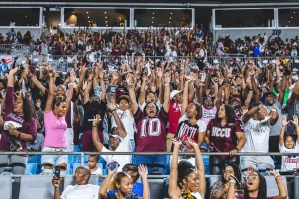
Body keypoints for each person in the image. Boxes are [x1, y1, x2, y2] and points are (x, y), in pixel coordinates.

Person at [127, 72, 170, 174]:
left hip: (159, 154)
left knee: (160, 180)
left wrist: (167, 84)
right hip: (142, 154)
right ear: (145, 110)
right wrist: (130, 87)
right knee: (142, 178)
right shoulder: (140, 118)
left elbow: (167, 101)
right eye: (148, 107)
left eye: (153, 107)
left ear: (157, 110)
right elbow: (133, 101)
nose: (151, 108)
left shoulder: (161, 117)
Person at [0, 67, 37, 174]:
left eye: (19, 102)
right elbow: (10, 91)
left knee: (17, 180)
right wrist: (11, 75)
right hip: (3, 150)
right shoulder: (9, 110)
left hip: (20, 152)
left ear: (25, 105)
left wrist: (18, 134)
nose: (15, 103)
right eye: (15, 102)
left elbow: (33, 137)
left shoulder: (30, 120)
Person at [40, 68, 73, 175]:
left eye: (65, 108)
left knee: (62, 176)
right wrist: (51, 78)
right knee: (47, 175)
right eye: (62, 107)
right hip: (49, 149)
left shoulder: (63, 117)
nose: (64, 109)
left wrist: (72, 83)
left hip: (62, 150)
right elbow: (50, 94)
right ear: (55, 107)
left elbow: (68, 99)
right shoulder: (48, 114)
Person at [206, 104, 246, 175]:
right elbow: (206, 136)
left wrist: (236, 149)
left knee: (232, 178)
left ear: (228, 111)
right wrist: (208, 143)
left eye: (222, 110)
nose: (219, 111)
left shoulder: (235, 123)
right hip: (216, 154)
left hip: (231, 155)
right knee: (215, 179)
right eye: (219, 109)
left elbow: (242, 138)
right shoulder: (212, 122)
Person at [91, 102, 132, 171]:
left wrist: (113, 111)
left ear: (120, 139)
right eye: (111, 138)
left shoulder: (125, 145)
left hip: (125, 179)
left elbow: (120, 127)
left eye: (115, 138)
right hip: (113, 181)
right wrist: (94, 125)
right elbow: (96, 142)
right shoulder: (108, 154)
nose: (112, 139)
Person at [240, 103, 278, 171]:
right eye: (263, 110)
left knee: (269, 175)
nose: (265, 111)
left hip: (263, 155)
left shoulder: (266, 120)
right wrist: (259, 107)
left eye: (266, 109)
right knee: (249, 176)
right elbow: (248, 114)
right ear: (255, 113)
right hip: (248, 156)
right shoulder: (246, 120)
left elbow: (274, 120)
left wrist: (275, 113)